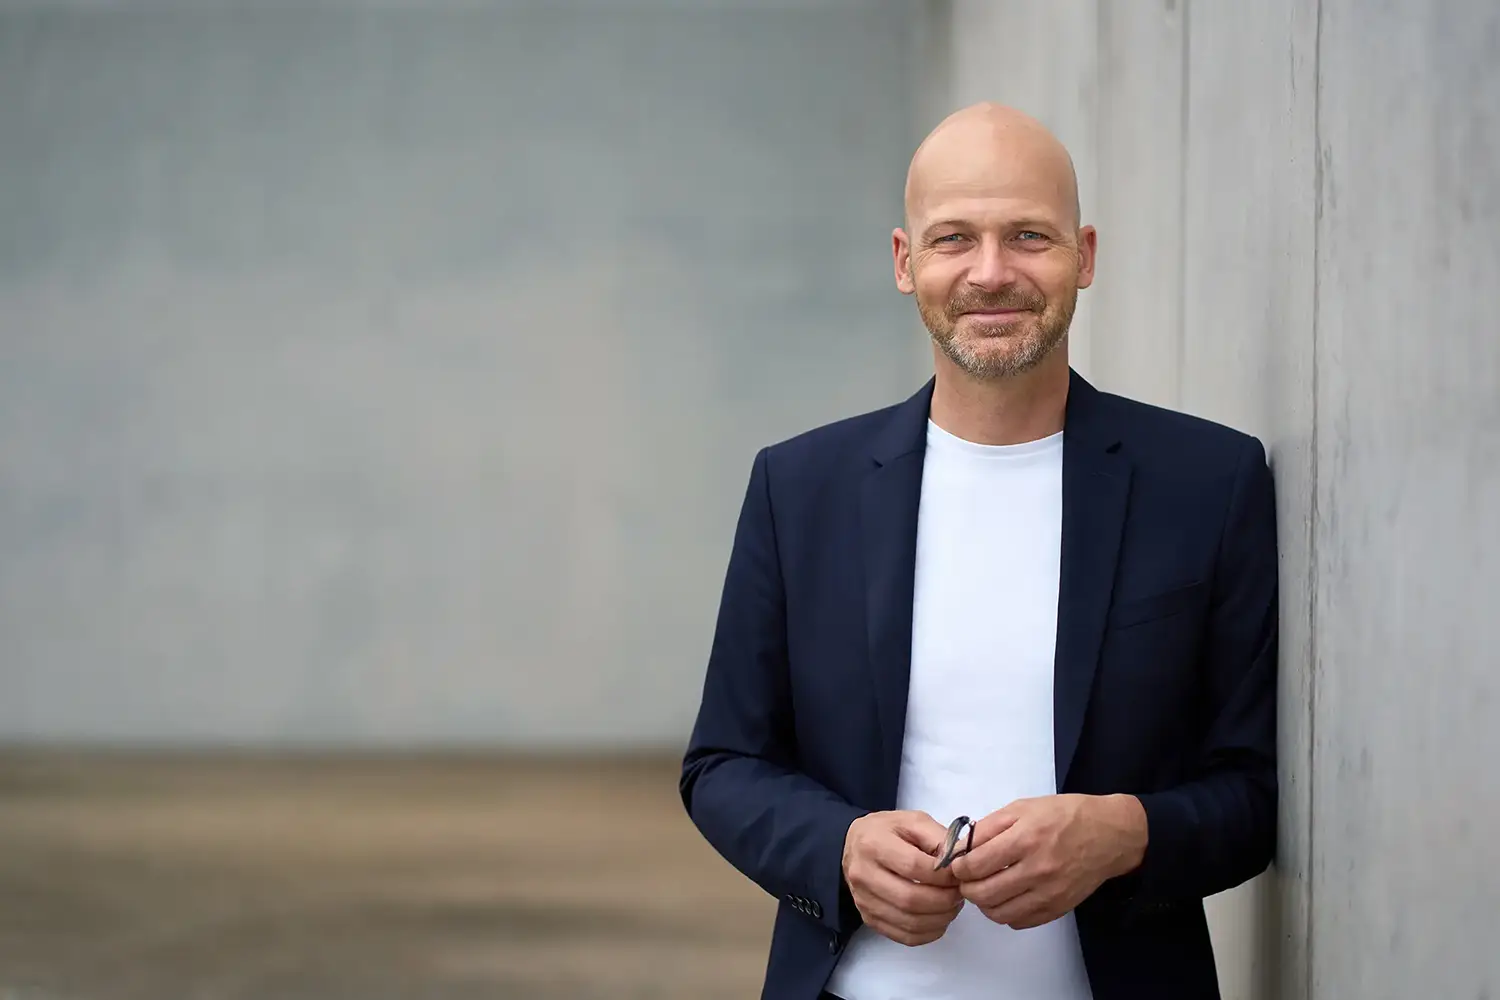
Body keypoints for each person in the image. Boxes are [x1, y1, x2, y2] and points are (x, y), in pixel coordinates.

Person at [678, 102, 1278, 1000]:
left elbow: (1255, 793)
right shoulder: (800, 488)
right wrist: (839, 849)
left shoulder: (1210, 482)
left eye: (1029, 236)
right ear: (904, 261)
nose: (991, 273)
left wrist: (1125, 832)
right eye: (955, 237)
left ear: (1086, 255)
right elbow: (723, 764)